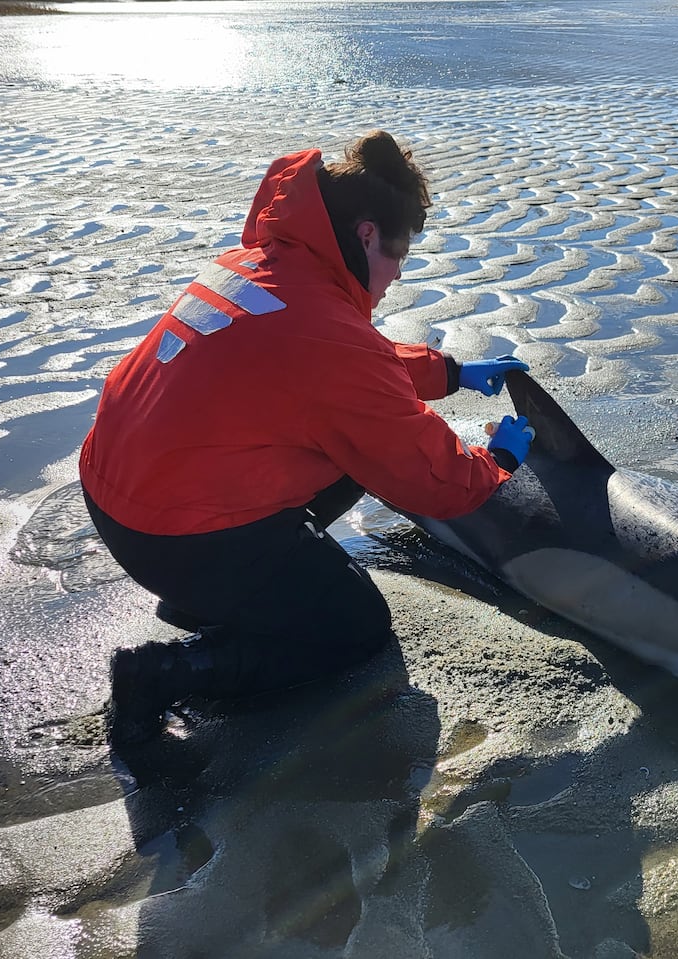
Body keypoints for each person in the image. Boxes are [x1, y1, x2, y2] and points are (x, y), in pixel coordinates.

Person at [79, 130, 534, 748]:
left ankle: (225, 598)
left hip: (119, 494)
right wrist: (501, 459)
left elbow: (341, 366)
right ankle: (168, 673)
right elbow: (435, 479)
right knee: (356, 631)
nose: (397, 275)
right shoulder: (324, 334)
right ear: (367, 234)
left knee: (349, 446)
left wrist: (451, 372)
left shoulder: (266, 268)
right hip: (172, 533)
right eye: (398, 256)